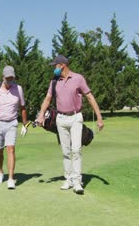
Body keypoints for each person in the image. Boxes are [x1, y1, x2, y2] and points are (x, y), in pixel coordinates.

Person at [36, 55, 104, 194]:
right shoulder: (54, 81)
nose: (54, 68)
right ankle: (68, 179)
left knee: (76, 150)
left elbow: (90, 96)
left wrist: (99, 117)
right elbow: (48, 99)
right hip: (60, 118)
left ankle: (77, 182)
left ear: (62, 65)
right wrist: (41, 115)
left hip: (75, 117)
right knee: (66, 151)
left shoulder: (78, 78)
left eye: (55, 65)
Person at [0, 65, 28, 190]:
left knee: (11, 149)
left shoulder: (18, 89)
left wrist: (25, 124)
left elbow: (22, 108)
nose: (10, 80)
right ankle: (0, 172)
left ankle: (11, 179)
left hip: (12, 123)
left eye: (12, 78)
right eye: (7, 78)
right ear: (3, 77)